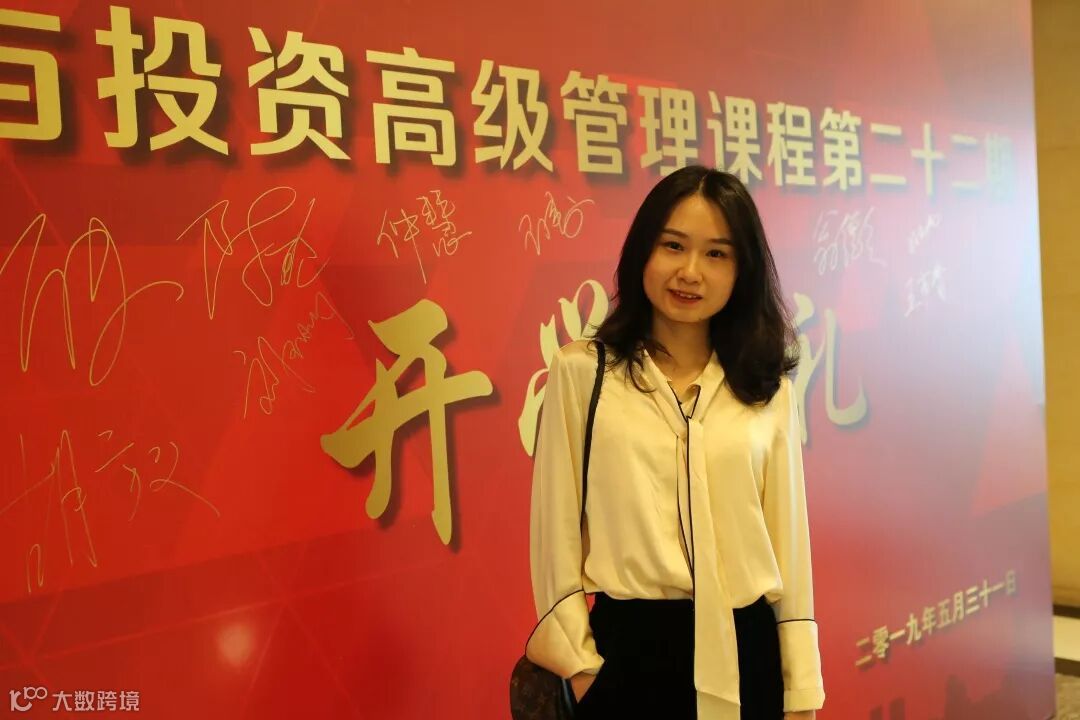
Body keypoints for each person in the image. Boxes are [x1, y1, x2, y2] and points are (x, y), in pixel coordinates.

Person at [525, 166, 824, 719]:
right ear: (643, 250)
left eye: (716, 254)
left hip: (750, 653)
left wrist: (800, 688)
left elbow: (789, 542)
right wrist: (585, 671)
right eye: (673, 246)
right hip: (630, 657)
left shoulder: (764, 386)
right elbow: (554, 535)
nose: (690, 272)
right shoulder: (584, 373)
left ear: (742, 269)